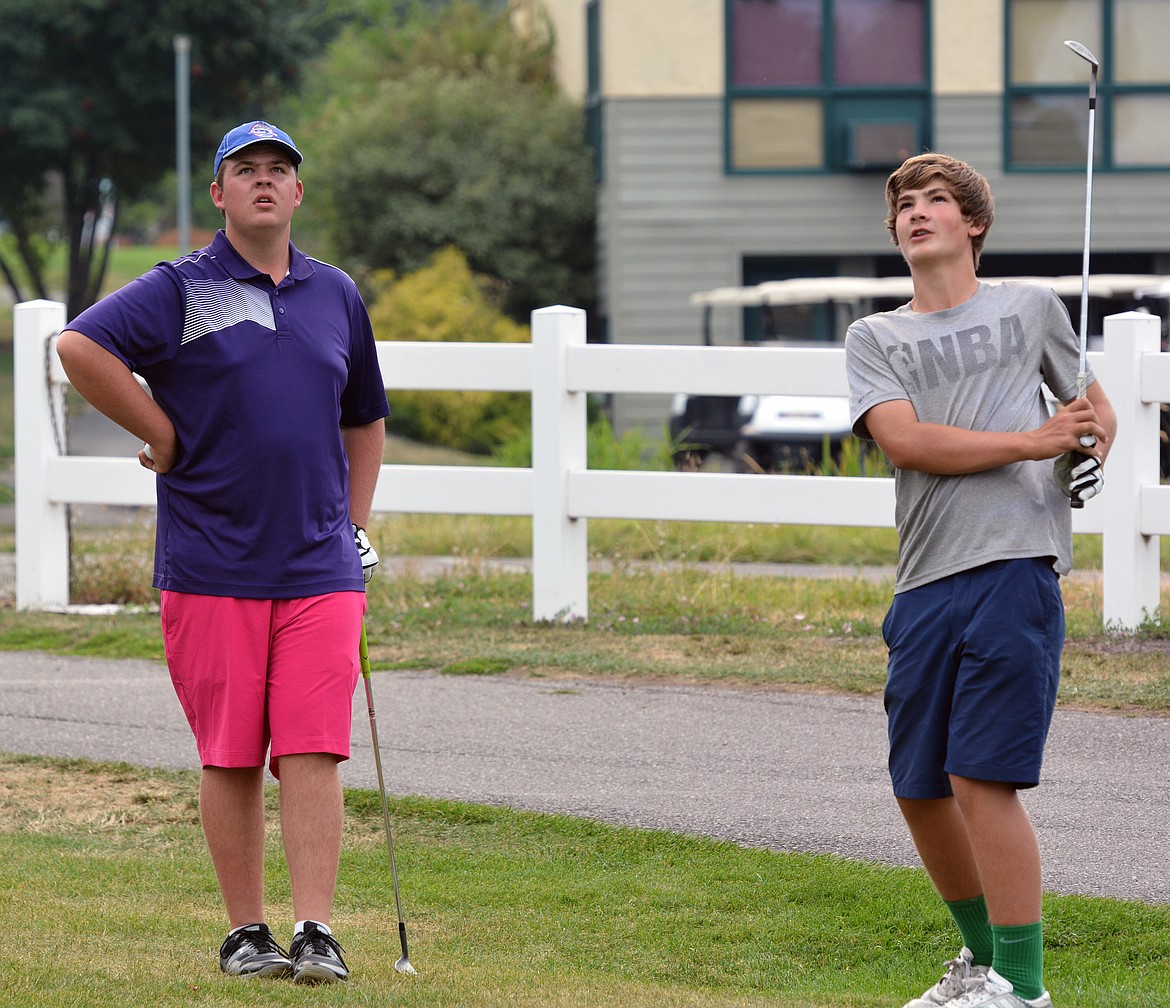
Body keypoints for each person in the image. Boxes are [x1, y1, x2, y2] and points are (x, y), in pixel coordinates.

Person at [56, 120, 389, 984]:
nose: (266, 183)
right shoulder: (181, 287)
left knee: (313, 745)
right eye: (247, 171)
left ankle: (317, 930)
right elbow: (78, 346)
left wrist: (354, 526)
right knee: (232, 752)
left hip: (320, 562)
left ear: (299, 192)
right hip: (212, 562)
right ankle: (248, 933)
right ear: (219, 193)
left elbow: (364, 418)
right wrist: (161, 434)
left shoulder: (335, 293)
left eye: (281, 170)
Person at [845, 153, 1114, 1008]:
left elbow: (1092, 416)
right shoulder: (874, 338)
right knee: (919, 788)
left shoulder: (1031, 309)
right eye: (904, 206)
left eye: (934, 201)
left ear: (973, 224)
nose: (916, 213)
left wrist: (1087, 453)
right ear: (895, 233)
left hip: (1013, 571)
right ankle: (982, 961)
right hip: (924, 580)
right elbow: (909, 443)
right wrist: (1036, 443)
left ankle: (1024, 989)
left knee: (980, 779)